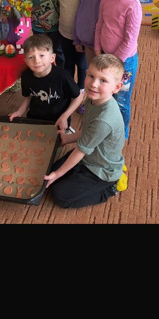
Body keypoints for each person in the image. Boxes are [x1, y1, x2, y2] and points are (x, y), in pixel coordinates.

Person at [44, 54, 127, 209]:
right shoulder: (92, 99)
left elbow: (81, 150)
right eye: (91, 76)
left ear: (116, 87)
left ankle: (110, 188)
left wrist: (58, 174)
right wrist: (67, 139)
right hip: (89, 155)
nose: (93, 84)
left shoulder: (104, 119)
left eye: (103, 80)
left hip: (101, 169)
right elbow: (87, 131)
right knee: (48, 173)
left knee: (60, 196)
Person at [94, 0, 143, 139]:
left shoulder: (133, 6)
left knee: (121, 100)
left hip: (125, 64)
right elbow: (99, 26)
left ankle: (120, 134)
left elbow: (129, 41)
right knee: (106, 96)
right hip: (106, 57)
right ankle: (106, 126)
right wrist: (97, 51)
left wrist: (113, 64)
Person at [8, 33, 83, 133]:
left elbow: (78, 97)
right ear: (25, 61)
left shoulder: (63, 76)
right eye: (31, 57)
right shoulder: (26, 76)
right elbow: (28, 97)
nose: (37, 61)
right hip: (34, 119)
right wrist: (19, 112)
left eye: (42, 55)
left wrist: (65, 116)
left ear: (52, 58)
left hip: (58, 121)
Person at [53, 0, 88, 112]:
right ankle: (70, 93)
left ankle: (81, 95)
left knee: (82, 66)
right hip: (65, 33)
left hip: (83, 36)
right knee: (67, 65)